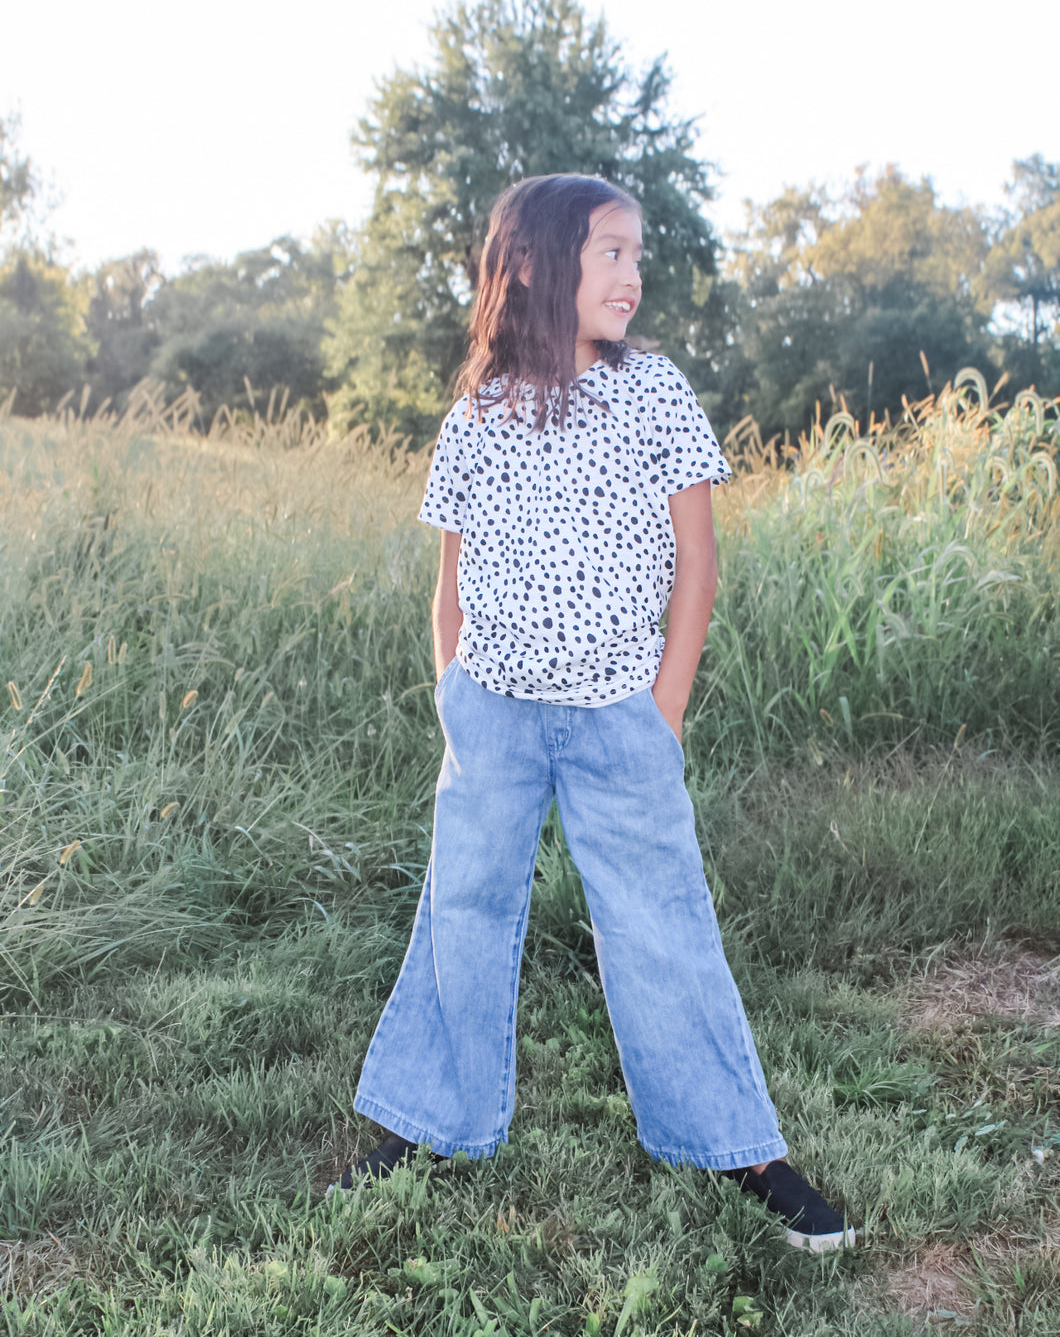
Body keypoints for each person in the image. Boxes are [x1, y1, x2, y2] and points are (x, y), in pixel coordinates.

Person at [329, 174, 855, 1252]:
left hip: (621, 716)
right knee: (463, 914)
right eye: (611, 252)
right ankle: (432, 1124)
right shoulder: (479, 408)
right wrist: (453, 696)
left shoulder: (655, 392)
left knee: (662, 924)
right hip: (495, 715)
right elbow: (452, 579)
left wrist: (662, 707)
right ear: (533, 262)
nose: (633, 273)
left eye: (637, 255)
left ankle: (735, 1145)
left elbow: (696, 566)